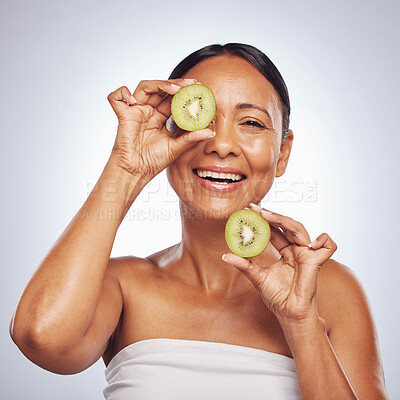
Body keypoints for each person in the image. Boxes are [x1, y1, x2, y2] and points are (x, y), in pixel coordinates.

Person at [9, 43, 389, 400]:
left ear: (283, 152)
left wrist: (301, 322)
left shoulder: (331, 290)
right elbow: (41, 339)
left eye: (252, 123)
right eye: (202, 116)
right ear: (169, 132)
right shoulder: (123, 287)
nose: (221, 144)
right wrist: (127, 168)